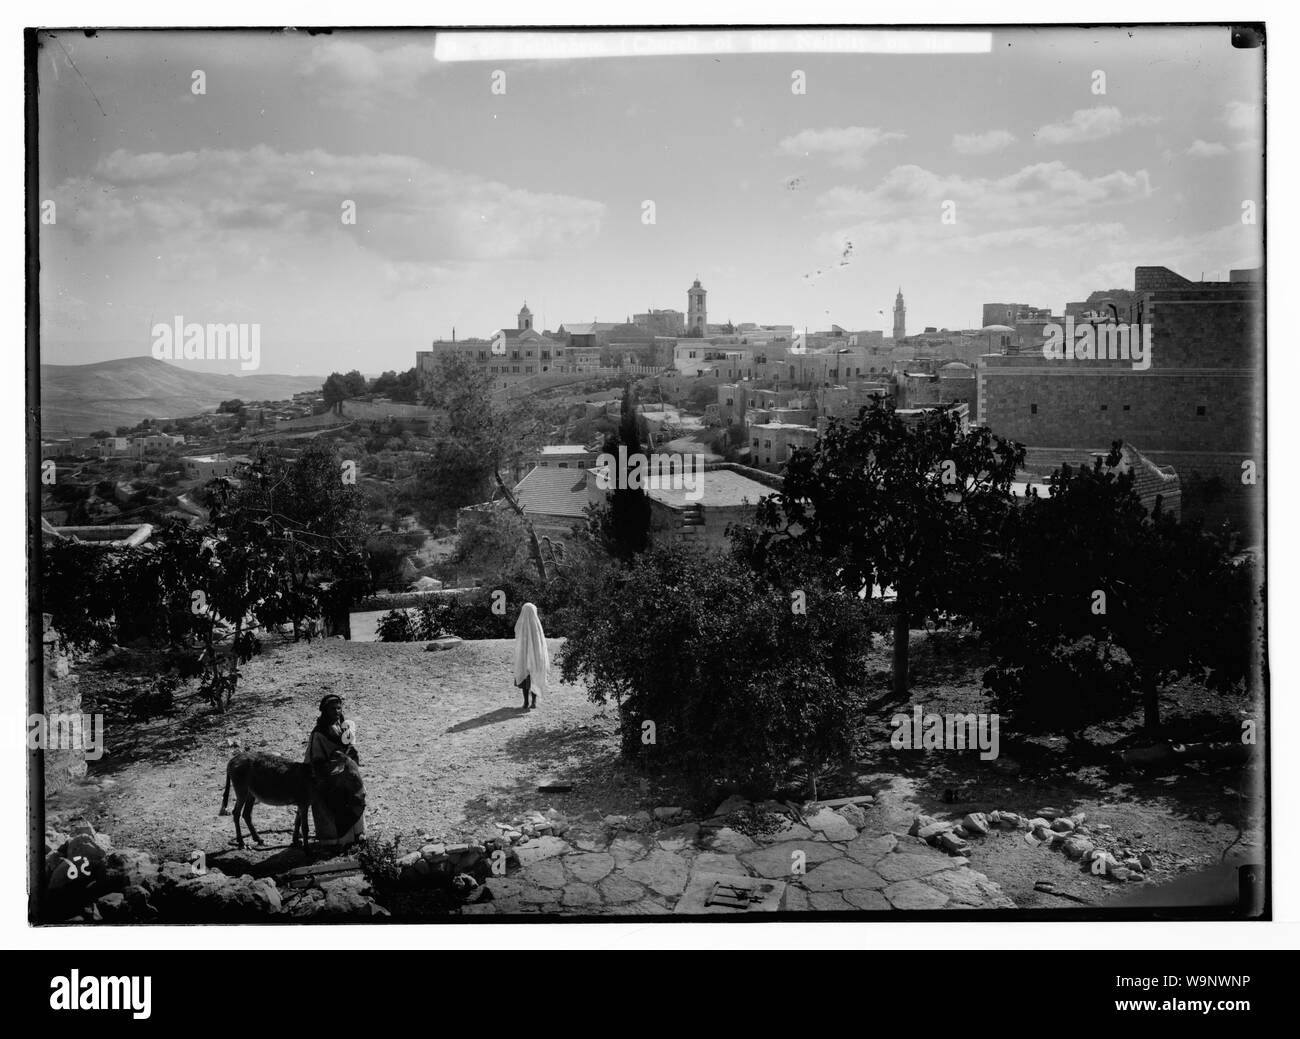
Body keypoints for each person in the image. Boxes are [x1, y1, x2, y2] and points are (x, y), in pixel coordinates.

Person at [304, 694, 366, 849]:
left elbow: (348, 748)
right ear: (325, 711)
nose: (337, 711)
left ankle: (356, 836)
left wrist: (349, 753)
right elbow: (316, 760)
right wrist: (335, 763)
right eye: (332, 709)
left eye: (339, 708)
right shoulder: (319, 733)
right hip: (328, 778)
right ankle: (338, 842)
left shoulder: (343, 727)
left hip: (344, 774)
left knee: (357, 793)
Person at [513, 602, 549, 710]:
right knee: (534, 678)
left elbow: (518, 639)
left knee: (525, 680)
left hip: (523, 659)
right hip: (535, 659)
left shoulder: (521, 626)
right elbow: (541, 644)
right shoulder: (537, 626)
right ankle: (533, 702)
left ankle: (525, 702)